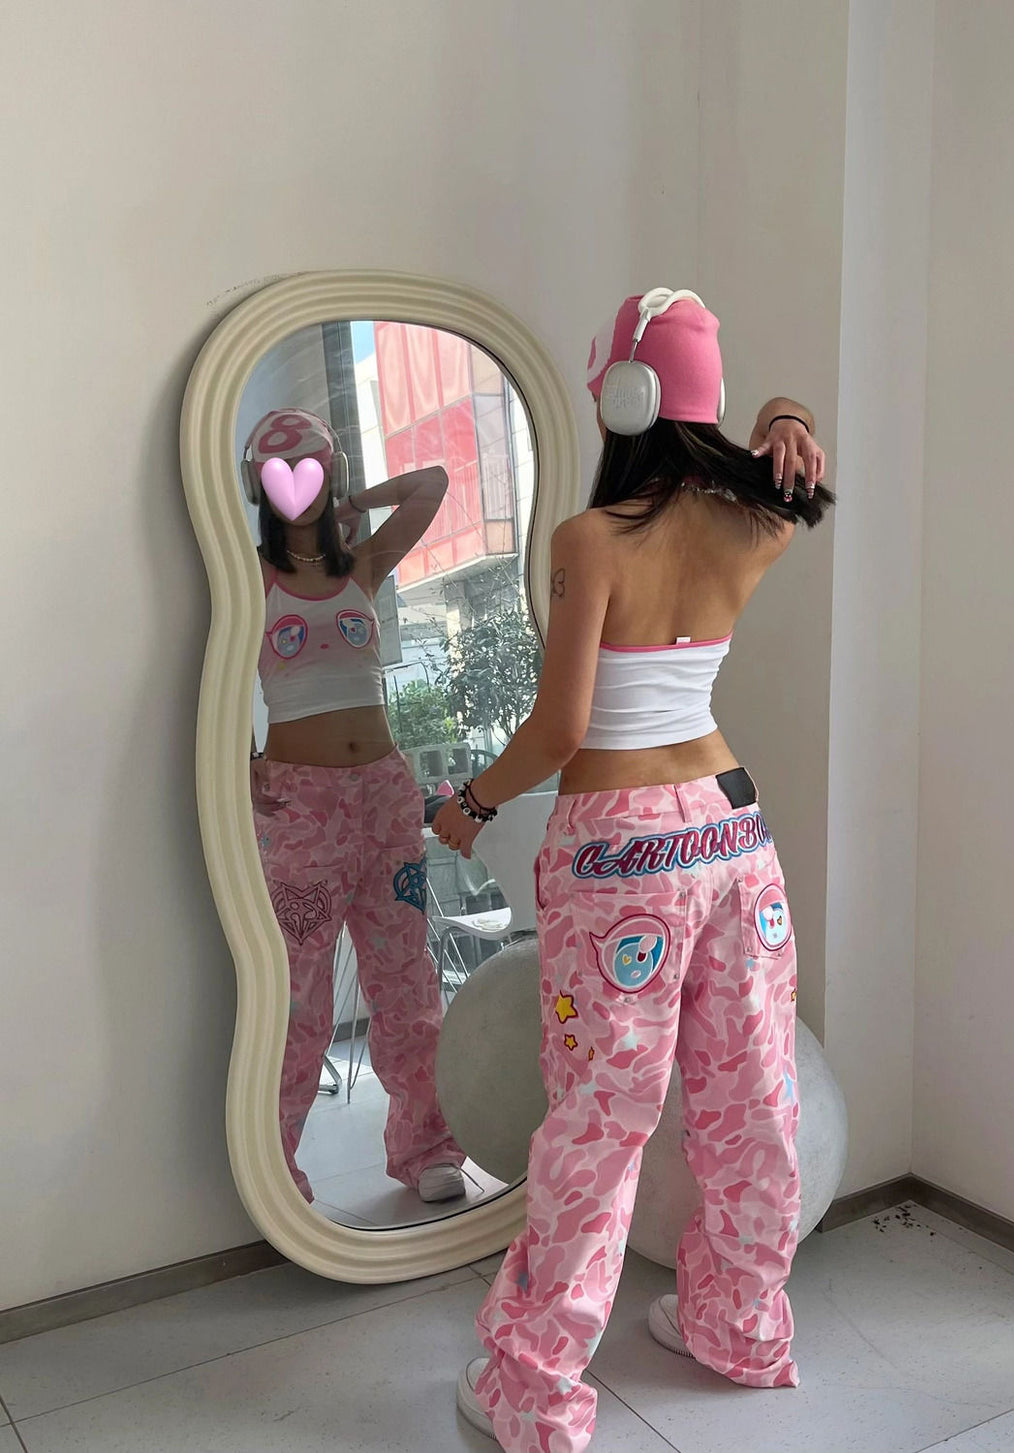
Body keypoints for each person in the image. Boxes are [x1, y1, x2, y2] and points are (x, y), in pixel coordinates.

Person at [432, 290, 833, 1451]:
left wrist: (470, 805)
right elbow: (788, 436)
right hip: (731, 832)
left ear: (618, 397)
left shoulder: (589, 540)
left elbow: (560, 730)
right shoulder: (755, 524)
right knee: (751, 1094)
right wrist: (789, 416)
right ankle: (739, 1324)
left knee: (600, 1122)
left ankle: (533, 1386)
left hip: (621, 853)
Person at [244, 407, 466, 1207]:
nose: (296, 486)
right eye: (279, 473)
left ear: (330, 471)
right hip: (300, 807)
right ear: (258, 488)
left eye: (312, 466)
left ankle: (427, 1145)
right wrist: (239, 759)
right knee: (296, 996)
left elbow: (432, 484)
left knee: (406, 981)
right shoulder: (250, 578)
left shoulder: (361, 565)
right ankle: (275, 1167)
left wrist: (355, 500)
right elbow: (207, 674)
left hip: (383, 795)